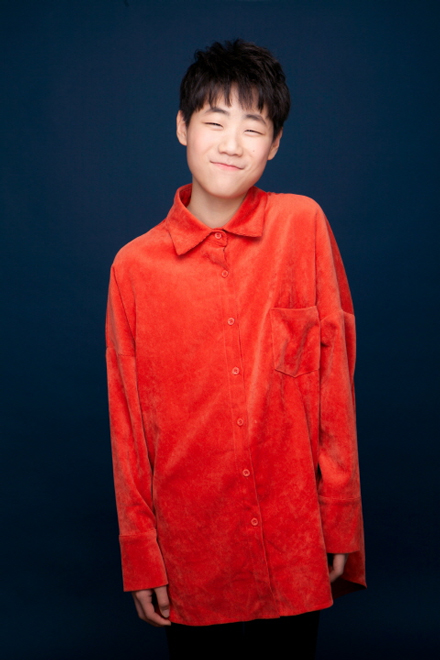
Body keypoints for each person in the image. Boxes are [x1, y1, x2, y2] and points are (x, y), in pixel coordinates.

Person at [105, 39, 366, 659]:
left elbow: (334, 385)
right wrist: (141, 555)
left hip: (293, 540)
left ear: (274, 144)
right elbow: (127, 426)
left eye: (254, 128)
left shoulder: (303, 225)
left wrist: (340, 518)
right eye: (214, 122)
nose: (232, 144)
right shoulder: (133, 269)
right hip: (193, 551)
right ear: (182, 127)